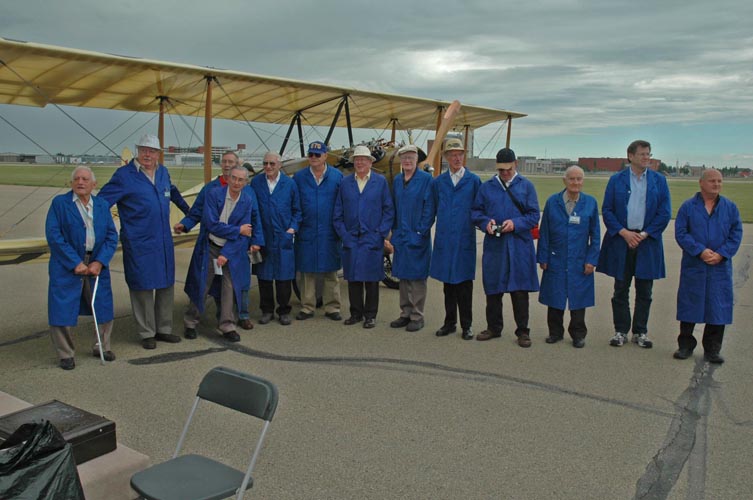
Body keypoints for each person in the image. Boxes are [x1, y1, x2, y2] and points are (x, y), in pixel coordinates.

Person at [98, 134, 190, 349]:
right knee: (142, 286)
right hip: (138, 241)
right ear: (137, 151)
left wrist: (190, 215)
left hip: (163, 240)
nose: (148, 154)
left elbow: (173, 193)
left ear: (159, 154)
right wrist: (105, 230)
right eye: (144, 150)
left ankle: (164, 329)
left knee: (166, 284)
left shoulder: (163, 173)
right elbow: (101, 203)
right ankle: (146, 332)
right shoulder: (123, 176)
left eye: (152, 151)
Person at [597, 140, 671, 349]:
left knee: (645, 290)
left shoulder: (659, 181)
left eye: (648, 154)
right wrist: (624, 233)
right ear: (630, 156)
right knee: (621, 288)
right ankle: (620, 330)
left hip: (647, 241)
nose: (646, 157)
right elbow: (608, 210)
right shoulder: (616, 180)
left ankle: (640, 331)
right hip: (622, 240)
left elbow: (664, 213)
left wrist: (645, 234)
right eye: (642, 154)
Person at [174, 151, 258, 332]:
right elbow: (200, 214)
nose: (227, 165)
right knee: (202, 284)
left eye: (231, 162)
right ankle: (191, 322)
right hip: (210, 245)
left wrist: (254, 240)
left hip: (233, 249)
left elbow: (252, 223)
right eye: (225, 162)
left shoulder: (248, 197)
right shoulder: (211, 190)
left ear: (244, 180)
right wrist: (185, 224)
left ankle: (229, 323)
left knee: (231, 286)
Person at [45, 166, 118, 370]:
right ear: (71, 183)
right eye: (76, 179)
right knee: (61, 309)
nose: (80, 182)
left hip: (95, 263)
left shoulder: (102, 205)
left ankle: (101, 346)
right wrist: (74, 262)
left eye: (85, 179)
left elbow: (112, 236)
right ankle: (65, 354)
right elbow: (54, 236)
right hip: (67, 264)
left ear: (94, 184)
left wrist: (99, 262)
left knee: (103, 306)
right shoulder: (59, 204)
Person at [471, 147, 540, 348]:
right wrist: (486, 224)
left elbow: (534, 215)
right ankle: (493, 327)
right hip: (496, 245)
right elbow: (476, 212)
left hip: (519, 246)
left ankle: (523, 331)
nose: (505, 173)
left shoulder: (526, 186)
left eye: (508, 169)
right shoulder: (487, 187)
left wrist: (516, 224)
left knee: (520, 291)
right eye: (501, 170)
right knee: (493, 288)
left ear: (515, 164)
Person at [673, 169, 742, 364]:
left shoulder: (730, 208)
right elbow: (681, 233)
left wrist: (722, 254)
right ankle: (685, 345)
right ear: (701, 183)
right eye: (712, 181)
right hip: (695, 265)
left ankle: (712, 349)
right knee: (689, 303)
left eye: (719, 181)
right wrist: (700, 251)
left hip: (719, 267)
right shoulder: (688, 207)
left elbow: (736, 233)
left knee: (718, 306)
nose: (717, 184)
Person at [421, 138, 481, 340]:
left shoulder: (473, 181)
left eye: (460, 154)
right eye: (453, 155)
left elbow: (480, 210)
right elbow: (431, 208)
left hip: (464, 240)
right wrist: (421, 230)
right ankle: (449, 322)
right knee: (448, 285)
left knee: (464, 285)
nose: (457, 158)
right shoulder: (438, 183)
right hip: (445, 240)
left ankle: (467, 325)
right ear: (446, 157)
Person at [536, 166, 600, 348]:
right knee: (554, 297)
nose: (576, 183)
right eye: (572, 179)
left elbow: (595, 235)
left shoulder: (590, 203)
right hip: (556, 257)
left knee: (578, 299)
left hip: (580, 259)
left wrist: (591, 260)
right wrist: (543, 257)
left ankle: (578, 334)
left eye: (579, 179)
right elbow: (545, 232)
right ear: (564, 181)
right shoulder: (552, 202)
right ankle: (555, 332)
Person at [333, 145, 394, 328]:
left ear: (370, 162)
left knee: (372, 279)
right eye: (357, 159)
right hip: (351, 238)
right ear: (353, 163)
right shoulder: (345, 183)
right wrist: (344, 235)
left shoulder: (380, 182)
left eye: (363, 159)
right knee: (353, 278)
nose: (360, 162)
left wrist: (380, 234)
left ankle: (370, 315)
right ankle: (356, 313)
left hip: (372, 238)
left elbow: (388, 211)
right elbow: (337, 213)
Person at [293, 141, 344, 321]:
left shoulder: (338, 177)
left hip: (330, 232)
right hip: (306, 231)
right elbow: (295, 205)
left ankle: (332, 307)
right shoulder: (299, 177)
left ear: (325, 156)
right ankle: (307, 307)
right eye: (311, 154)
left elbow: (343, 205)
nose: (313, 158)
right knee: (307, 272)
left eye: (317, 154)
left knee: (331, 272)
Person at [250, 152, 301, 325]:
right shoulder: (256, 183)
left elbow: (297, 210)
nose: (268, 167)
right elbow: (251, 209)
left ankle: (284, 310)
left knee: (284, 276)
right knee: (264, 276)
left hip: (283, 236)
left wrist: (292, 229)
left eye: (272, 163)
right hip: (263, 236)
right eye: (265, 163)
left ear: (280, 165)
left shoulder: (290, 184)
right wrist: (254, 236)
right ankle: (266, 310)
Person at [388, 145, 433, 332]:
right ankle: (405, 313)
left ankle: (417, 315)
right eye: (404, 157)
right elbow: (394, 207)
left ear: (417, 160)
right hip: (401, 235)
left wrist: (420, 232)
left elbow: (429, 209)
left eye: (411, 158)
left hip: (417, 235)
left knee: (417, 278)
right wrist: (394, 231)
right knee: (403, 277)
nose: (407, 161)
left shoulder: (426, 180)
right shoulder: (398, 180)